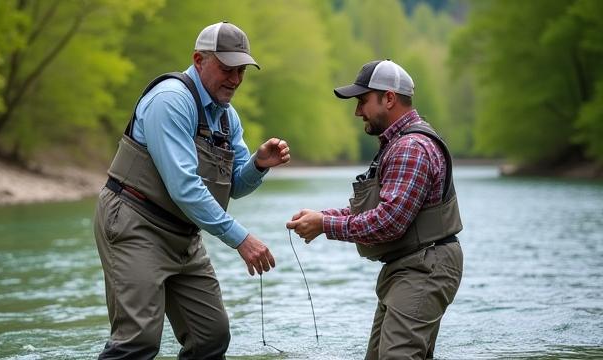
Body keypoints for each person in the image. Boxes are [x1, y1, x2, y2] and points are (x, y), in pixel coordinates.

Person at [93, 21, 290, 359]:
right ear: (199, 60)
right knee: (137, 341)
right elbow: (185, 188)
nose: (236, 79)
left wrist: (258, 165)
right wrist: (242, 239)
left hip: (183, 233)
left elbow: (233, 188)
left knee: (211, 336)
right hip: (134, 223)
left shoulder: (228, 117)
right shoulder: (169, 101)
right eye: (227, 68)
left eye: (242, 70)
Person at [286, 60, 463, 359]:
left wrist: (325, 225)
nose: (357, 111)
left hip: (423, 267)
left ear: (389, 98)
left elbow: (389, 222)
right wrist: (321, 217)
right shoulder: (398, 145)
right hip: (410, 266)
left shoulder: (409, 148)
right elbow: (379, 211)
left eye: (362, 101)